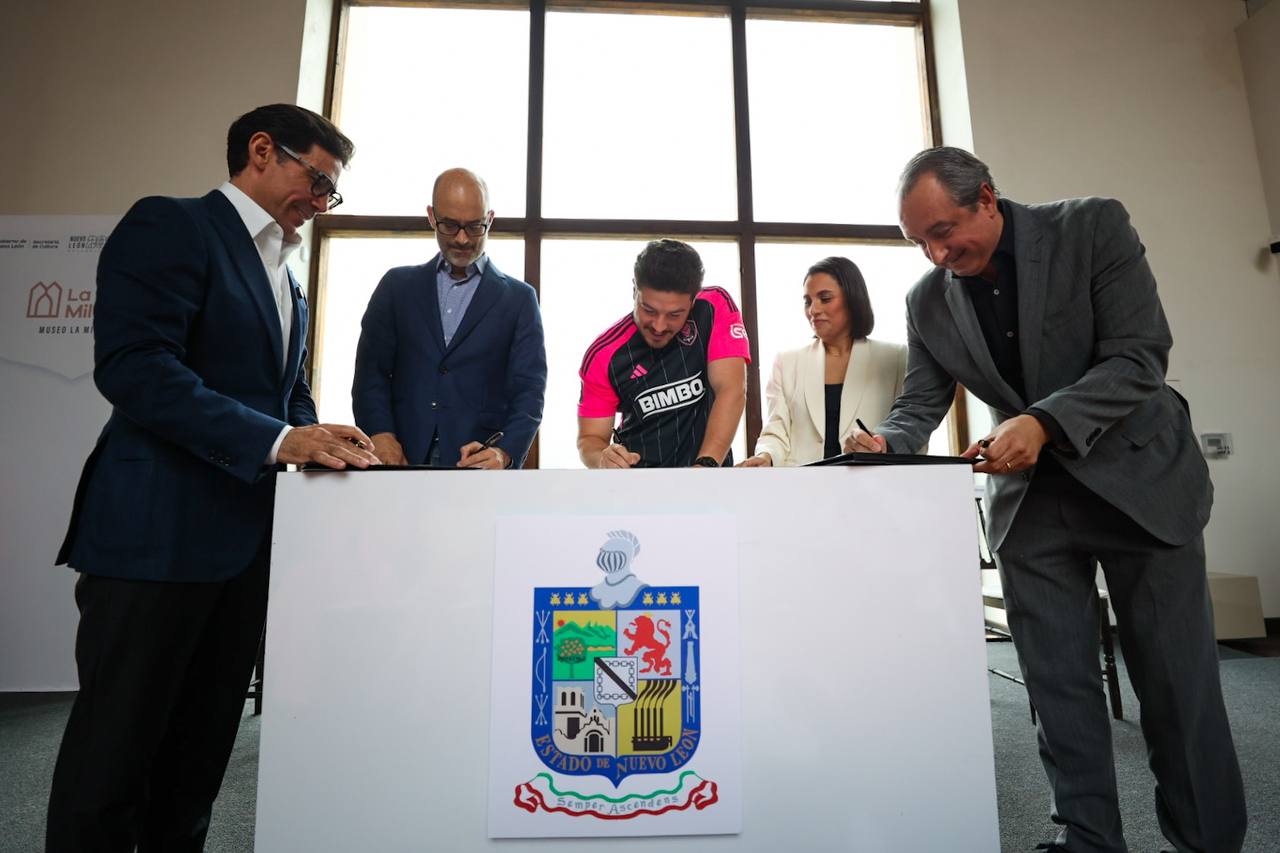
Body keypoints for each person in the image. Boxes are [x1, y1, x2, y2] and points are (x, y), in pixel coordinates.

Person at [848, 146, 1246, 852]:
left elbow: (1138, 356)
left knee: (1176, 687)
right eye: (919, 242)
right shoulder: (926, 301)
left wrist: (1043, 421)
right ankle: (1088, 838)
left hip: (1141, 486)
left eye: (943, 232)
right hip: (1032, 505)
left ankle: (1206, 840)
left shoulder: (1091, 228)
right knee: (1057, 689)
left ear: (987, 198)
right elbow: (920, 403)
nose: (936, 254)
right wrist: (888, 440)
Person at [48, 104, 380, 851]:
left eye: (332, 191)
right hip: (155, 542)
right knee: (112, 760)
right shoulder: (172, 225)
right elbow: (136, 367)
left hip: (243, 554)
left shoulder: (287, 274)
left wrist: (317, 433)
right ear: (261, 150)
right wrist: (280, 437)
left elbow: (286, 391)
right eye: (318, 181)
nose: (322, 201)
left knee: (195, 768)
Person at [352, 168, 546, 469]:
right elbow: (370, 374)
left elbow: (529, 391)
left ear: (490, 219)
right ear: (432, 217)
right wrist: (380, 433)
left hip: (478, 461)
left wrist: (504, 452)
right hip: (399, 456)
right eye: (450, 225)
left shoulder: (520, 299)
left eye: (475, 227)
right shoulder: (396, 287)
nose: (462, 239)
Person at [577, 239, 749, 468]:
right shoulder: (603, 355)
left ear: (693, 301)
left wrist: (705, 467)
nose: (659, 326)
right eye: (649, 310)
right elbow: (590, 438)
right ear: (634, 290)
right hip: (637, 480)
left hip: (709, 475)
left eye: (674, 315)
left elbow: (731, 390)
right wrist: (603, 458)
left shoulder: (714, 307)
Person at [738, 256, 906, 467]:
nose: (813, 310)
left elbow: (906, 432)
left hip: (871, 481)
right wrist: (766, 457)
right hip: (803, 482)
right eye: (807, 301)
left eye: (825, 298)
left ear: (853, 299)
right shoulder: (787, 362)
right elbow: (776, 431)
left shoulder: (895, 358)